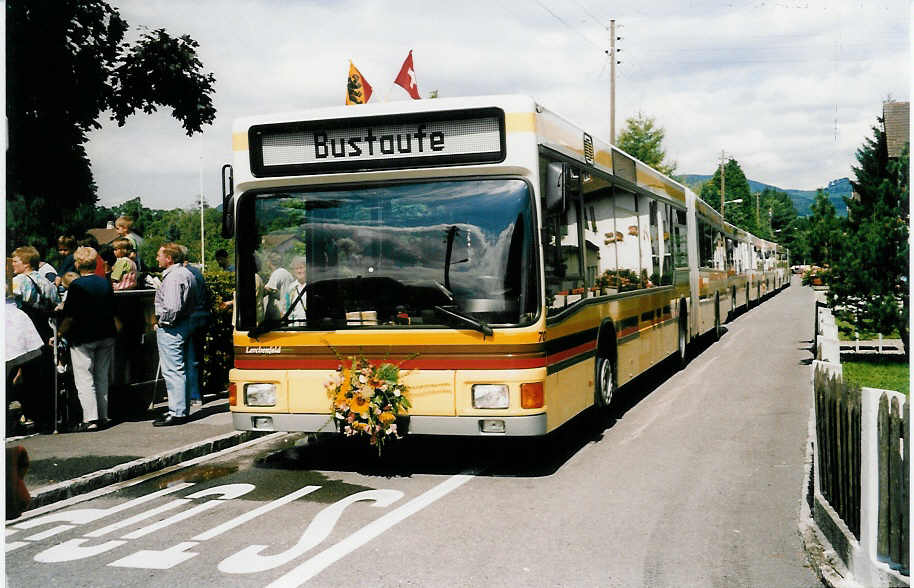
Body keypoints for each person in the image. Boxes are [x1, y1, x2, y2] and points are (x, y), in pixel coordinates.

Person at [57, 247, 117, 432]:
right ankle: (104, 415)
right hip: (106, 333)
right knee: (101, 376)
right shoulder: (105, 282)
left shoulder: (77, 286)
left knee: (84, 377)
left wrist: (59, 333)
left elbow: (70, 316)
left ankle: (90, 418)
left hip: (83, 336)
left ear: (77, 264)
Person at [153, 243, 198, 426]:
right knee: (181, 369)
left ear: (169, 258)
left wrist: (162, 322)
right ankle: (180, 408)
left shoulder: (173, 277)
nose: (157, 258)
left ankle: (177, 412)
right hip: (186, 323)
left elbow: (172, 307)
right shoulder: (187, 273)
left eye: (159, 255)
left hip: (172, 327)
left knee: (173, 370)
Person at [180, 246, 210, 405]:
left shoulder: (183, 273)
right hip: (202, 317)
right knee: (198, 357)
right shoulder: (197, 272)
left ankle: (194, 395)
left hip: (190, 318)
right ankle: (198, 392)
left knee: (189, 358)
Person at [11, 245, 60, 342]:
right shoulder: (47, 282)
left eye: (15, 261)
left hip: (25, 330)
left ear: (26, 264)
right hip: (46, 330)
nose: (12, 264)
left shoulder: (19, 281)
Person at [263, 252, 293, 320]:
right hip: (286, 311)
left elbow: (268, 290)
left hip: (278, 313)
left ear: (269, 262)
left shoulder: (277, 273)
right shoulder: (287, 273)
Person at [281, 256, 308, 323]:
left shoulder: (312, 286)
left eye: (301, 268)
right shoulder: (290, 288)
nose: (299, 271)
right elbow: (286, 308)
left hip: (308, 325)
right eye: (296, 269)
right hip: (294, 325)